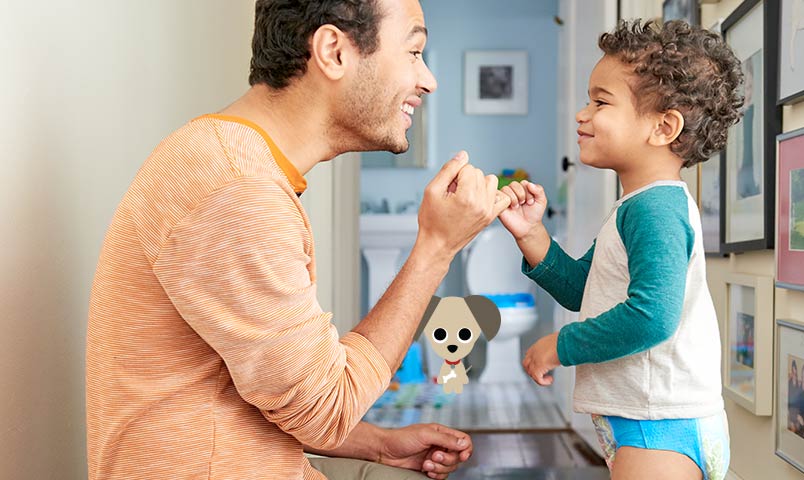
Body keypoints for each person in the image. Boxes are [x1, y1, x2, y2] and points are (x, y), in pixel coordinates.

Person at [85, 1, 510, 479]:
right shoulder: (237, 191)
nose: (428, 80)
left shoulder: (233, 166)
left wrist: (379, 446)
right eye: (413, 51)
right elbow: (328, 409)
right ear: (333, 51)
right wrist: (437, 247)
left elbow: (272, 386)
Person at [497, 20, 743, 480]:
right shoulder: (638, 205)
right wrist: (532, 237)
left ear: (663, 127)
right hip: (652, 421)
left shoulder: (655, 210)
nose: (581, 114)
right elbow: (584, 290)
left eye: (600, 101)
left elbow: (652, 316)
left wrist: (560, 345)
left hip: (659, 426)